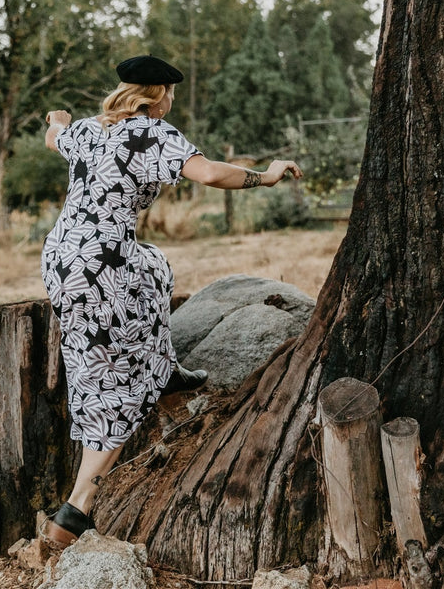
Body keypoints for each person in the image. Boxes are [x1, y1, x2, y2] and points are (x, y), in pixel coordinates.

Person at [39, 55, 303, 547]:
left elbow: (55, 136)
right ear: (159, 94)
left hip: (62, 259)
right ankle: (76, 509)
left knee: (151, 270)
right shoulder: (152, 133)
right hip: (104, 264)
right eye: (171, 94)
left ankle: (163, 367)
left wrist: (57, 119)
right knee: (117, 379)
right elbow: (209, 174)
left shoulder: (90, 130)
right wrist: (265, 176)